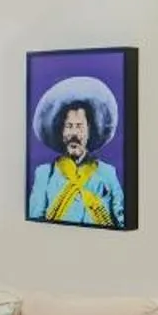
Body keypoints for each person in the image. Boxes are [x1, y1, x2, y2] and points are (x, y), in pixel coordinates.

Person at [27, 75, 127, 227]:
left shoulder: (108, 173)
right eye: (69, 126)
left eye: (79, 126)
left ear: (89, 131)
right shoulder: (45, 174)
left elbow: (122, 220)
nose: (74, 133)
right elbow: (35, 224)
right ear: (61, 132)